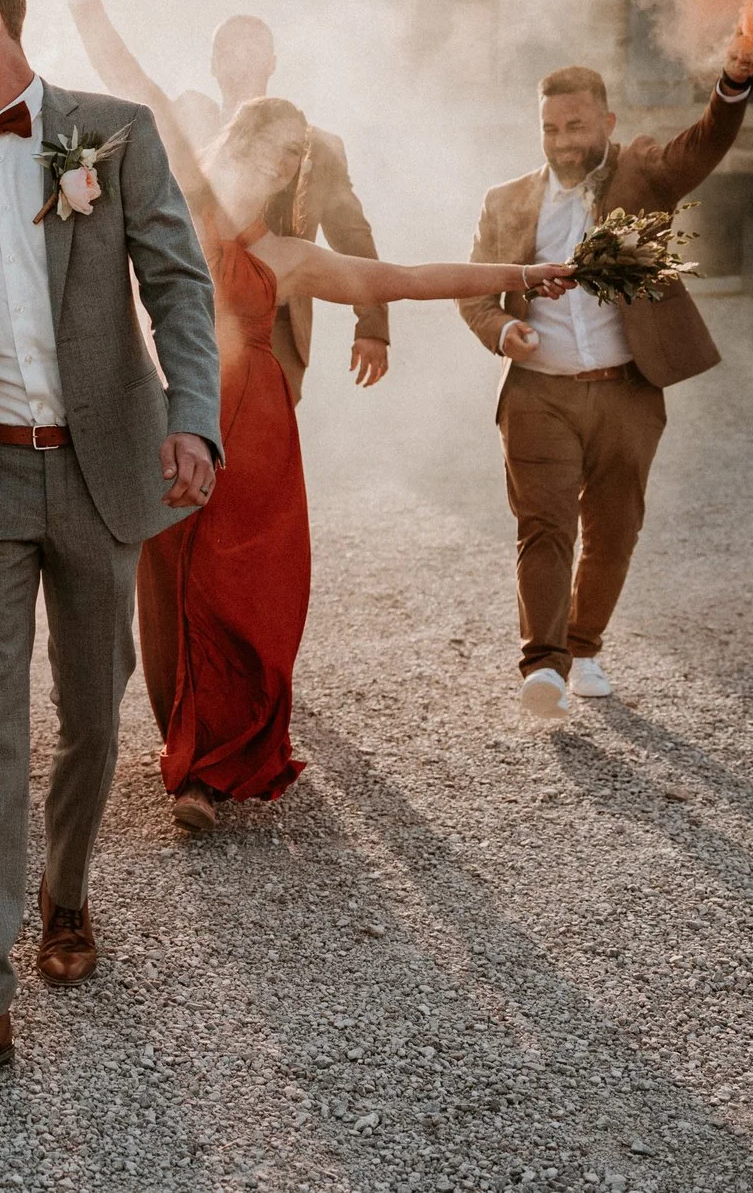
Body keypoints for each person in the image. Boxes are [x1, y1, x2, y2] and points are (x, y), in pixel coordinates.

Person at [0, 0, 222, 1107]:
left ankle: (65, 889)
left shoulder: (111, 129)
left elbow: (177, 281)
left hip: (102, 470)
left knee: (88, 712)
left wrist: (195, 420)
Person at [146, 96, 579, 829]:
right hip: (172, 413)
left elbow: (401, 278)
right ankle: (185, 741)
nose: (282, 165)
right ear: (240, 139)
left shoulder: (284, 254)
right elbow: (145, 95)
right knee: (169, 588)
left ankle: (209, 772)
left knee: (237, 587)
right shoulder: (174, 208)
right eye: (274, 147)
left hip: (255, 429)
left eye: (295, 158)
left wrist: (524, 274)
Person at [460, 55, 753, 717]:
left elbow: (704, 142)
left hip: (628, 389)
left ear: (607, 121)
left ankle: (584, 646)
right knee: (544, 526)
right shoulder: (505, 200)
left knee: (614, 529)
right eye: (550, 128)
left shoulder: (642, 173)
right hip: (538, 392)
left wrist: (732, 85)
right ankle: (542, 664)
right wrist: (505, 331)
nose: (564, 140)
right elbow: (477, 291)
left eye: (577, 125)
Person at [56, 0, 390, 400]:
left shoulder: (318, 147)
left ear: (274, 62)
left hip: (273, 329)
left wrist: (372, 324)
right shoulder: (187, 125)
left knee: (258, 453)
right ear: (212, 64)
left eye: (254, 51)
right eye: (227, 52)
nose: (241, 61)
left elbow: (353, 239)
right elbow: (124, 75)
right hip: (185, 314)